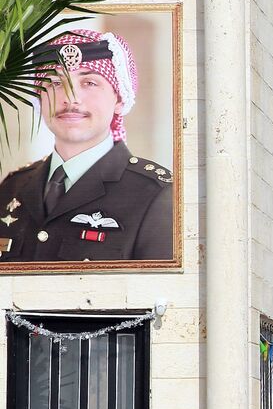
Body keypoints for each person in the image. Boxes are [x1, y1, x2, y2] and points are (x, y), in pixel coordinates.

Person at [0, 29, 173, 262]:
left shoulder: (157, 194)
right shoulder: (12, 187)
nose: (70, 98)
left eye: (89, 82)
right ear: (39, 97)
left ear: (120, 99)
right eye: (54, 83)